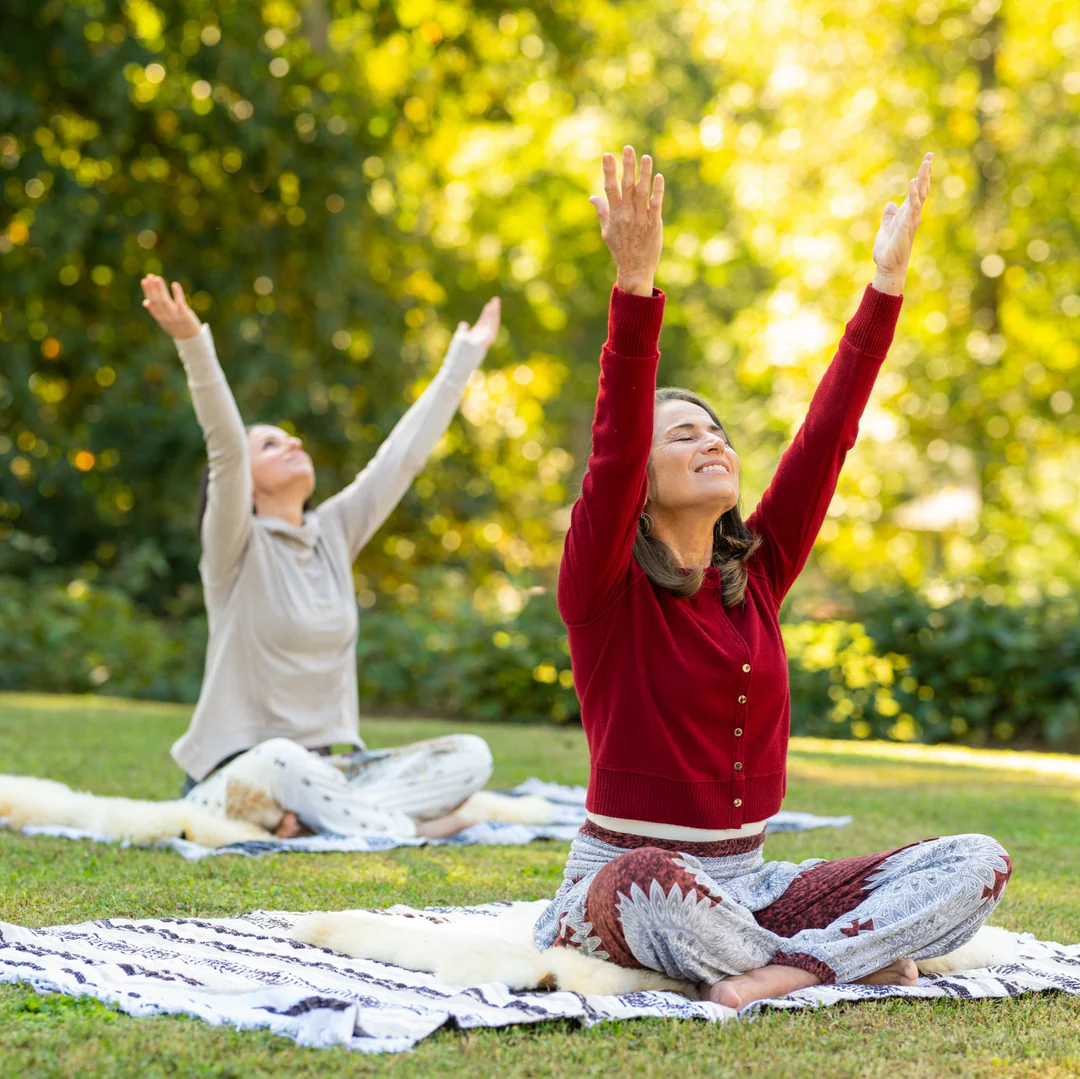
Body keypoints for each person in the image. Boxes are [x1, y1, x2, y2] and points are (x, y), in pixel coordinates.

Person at [533, 147, 1012, 1007]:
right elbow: (609, 450)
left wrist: (886, 287)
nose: (712, 440)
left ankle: (792, 967)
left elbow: (827, 436)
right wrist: (635, 287)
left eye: (716, 430)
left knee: (975, 859)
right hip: (622, 891)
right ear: (637, 489)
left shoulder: (753, 574)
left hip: (752, 887)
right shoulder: (601, 592)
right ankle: (844, 956)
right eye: (681, 435)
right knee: (648, 878)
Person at [140, 275, 500, 839]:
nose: (294, 445)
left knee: (471, 755)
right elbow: (226, 445)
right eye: (271, 444)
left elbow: (400, 458)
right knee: (284, 758)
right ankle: (405, 828)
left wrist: (464, 357)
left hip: (334, 771)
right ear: (247, 483)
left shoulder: (333, 531)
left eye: (293, 440)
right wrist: (191, 339)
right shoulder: (234, 548)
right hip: (245, 775)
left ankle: (324, 824)